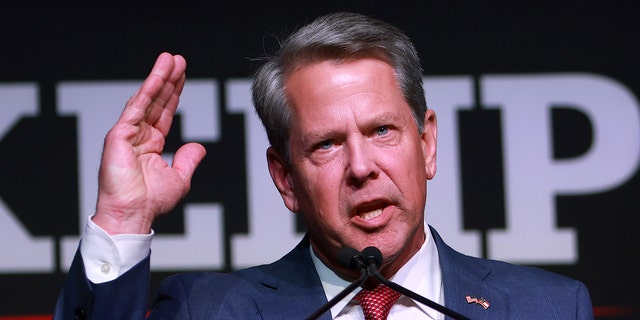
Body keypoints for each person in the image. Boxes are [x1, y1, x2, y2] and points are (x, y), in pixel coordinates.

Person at [54, 12, 593, 319]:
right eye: (327, 145)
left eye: (382, 131)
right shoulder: (212, 310)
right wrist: (123, 218)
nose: (362, 167)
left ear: (427, 144)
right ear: (285, 178)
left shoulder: (548, 307)